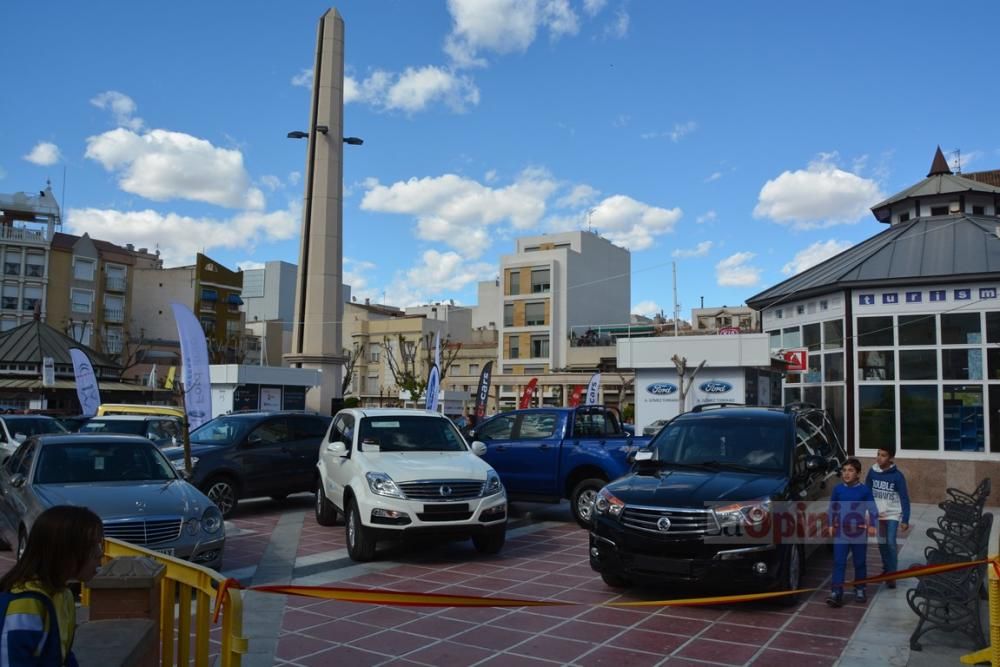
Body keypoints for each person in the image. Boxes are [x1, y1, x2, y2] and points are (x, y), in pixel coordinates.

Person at [0, 505, 104, 666]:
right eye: (92, 546)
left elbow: (64, 656)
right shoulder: (25, 603)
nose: (100, 553)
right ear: (64, 553)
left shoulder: (64, 595)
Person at [824, 458, 878, 607]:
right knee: (839, 562)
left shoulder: (864, 490)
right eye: (844, 470)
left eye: (851, 470)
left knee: (859, 562)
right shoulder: (838, 490)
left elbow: (873, 509)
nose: (846, 473)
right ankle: (836, 592)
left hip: (859, 532)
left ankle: (860, 588)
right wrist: (830, 524)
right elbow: (832, 508)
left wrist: (873, 524)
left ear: (858, 474)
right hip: (841, 532)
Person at [866, 446, 911, 589]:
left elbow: (904, 497)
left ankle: (892, 575)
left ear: (890, 458)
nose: (879, 457)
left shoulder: (897, 476)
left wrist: (905, 519)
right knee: (882, 543)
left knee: (891, 542)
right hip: (878, 514)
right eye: (878, 454)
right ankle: (887, 568)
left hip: (892, 513)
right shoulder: (872, 473)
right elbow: (866, 493)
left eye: (883, 455)